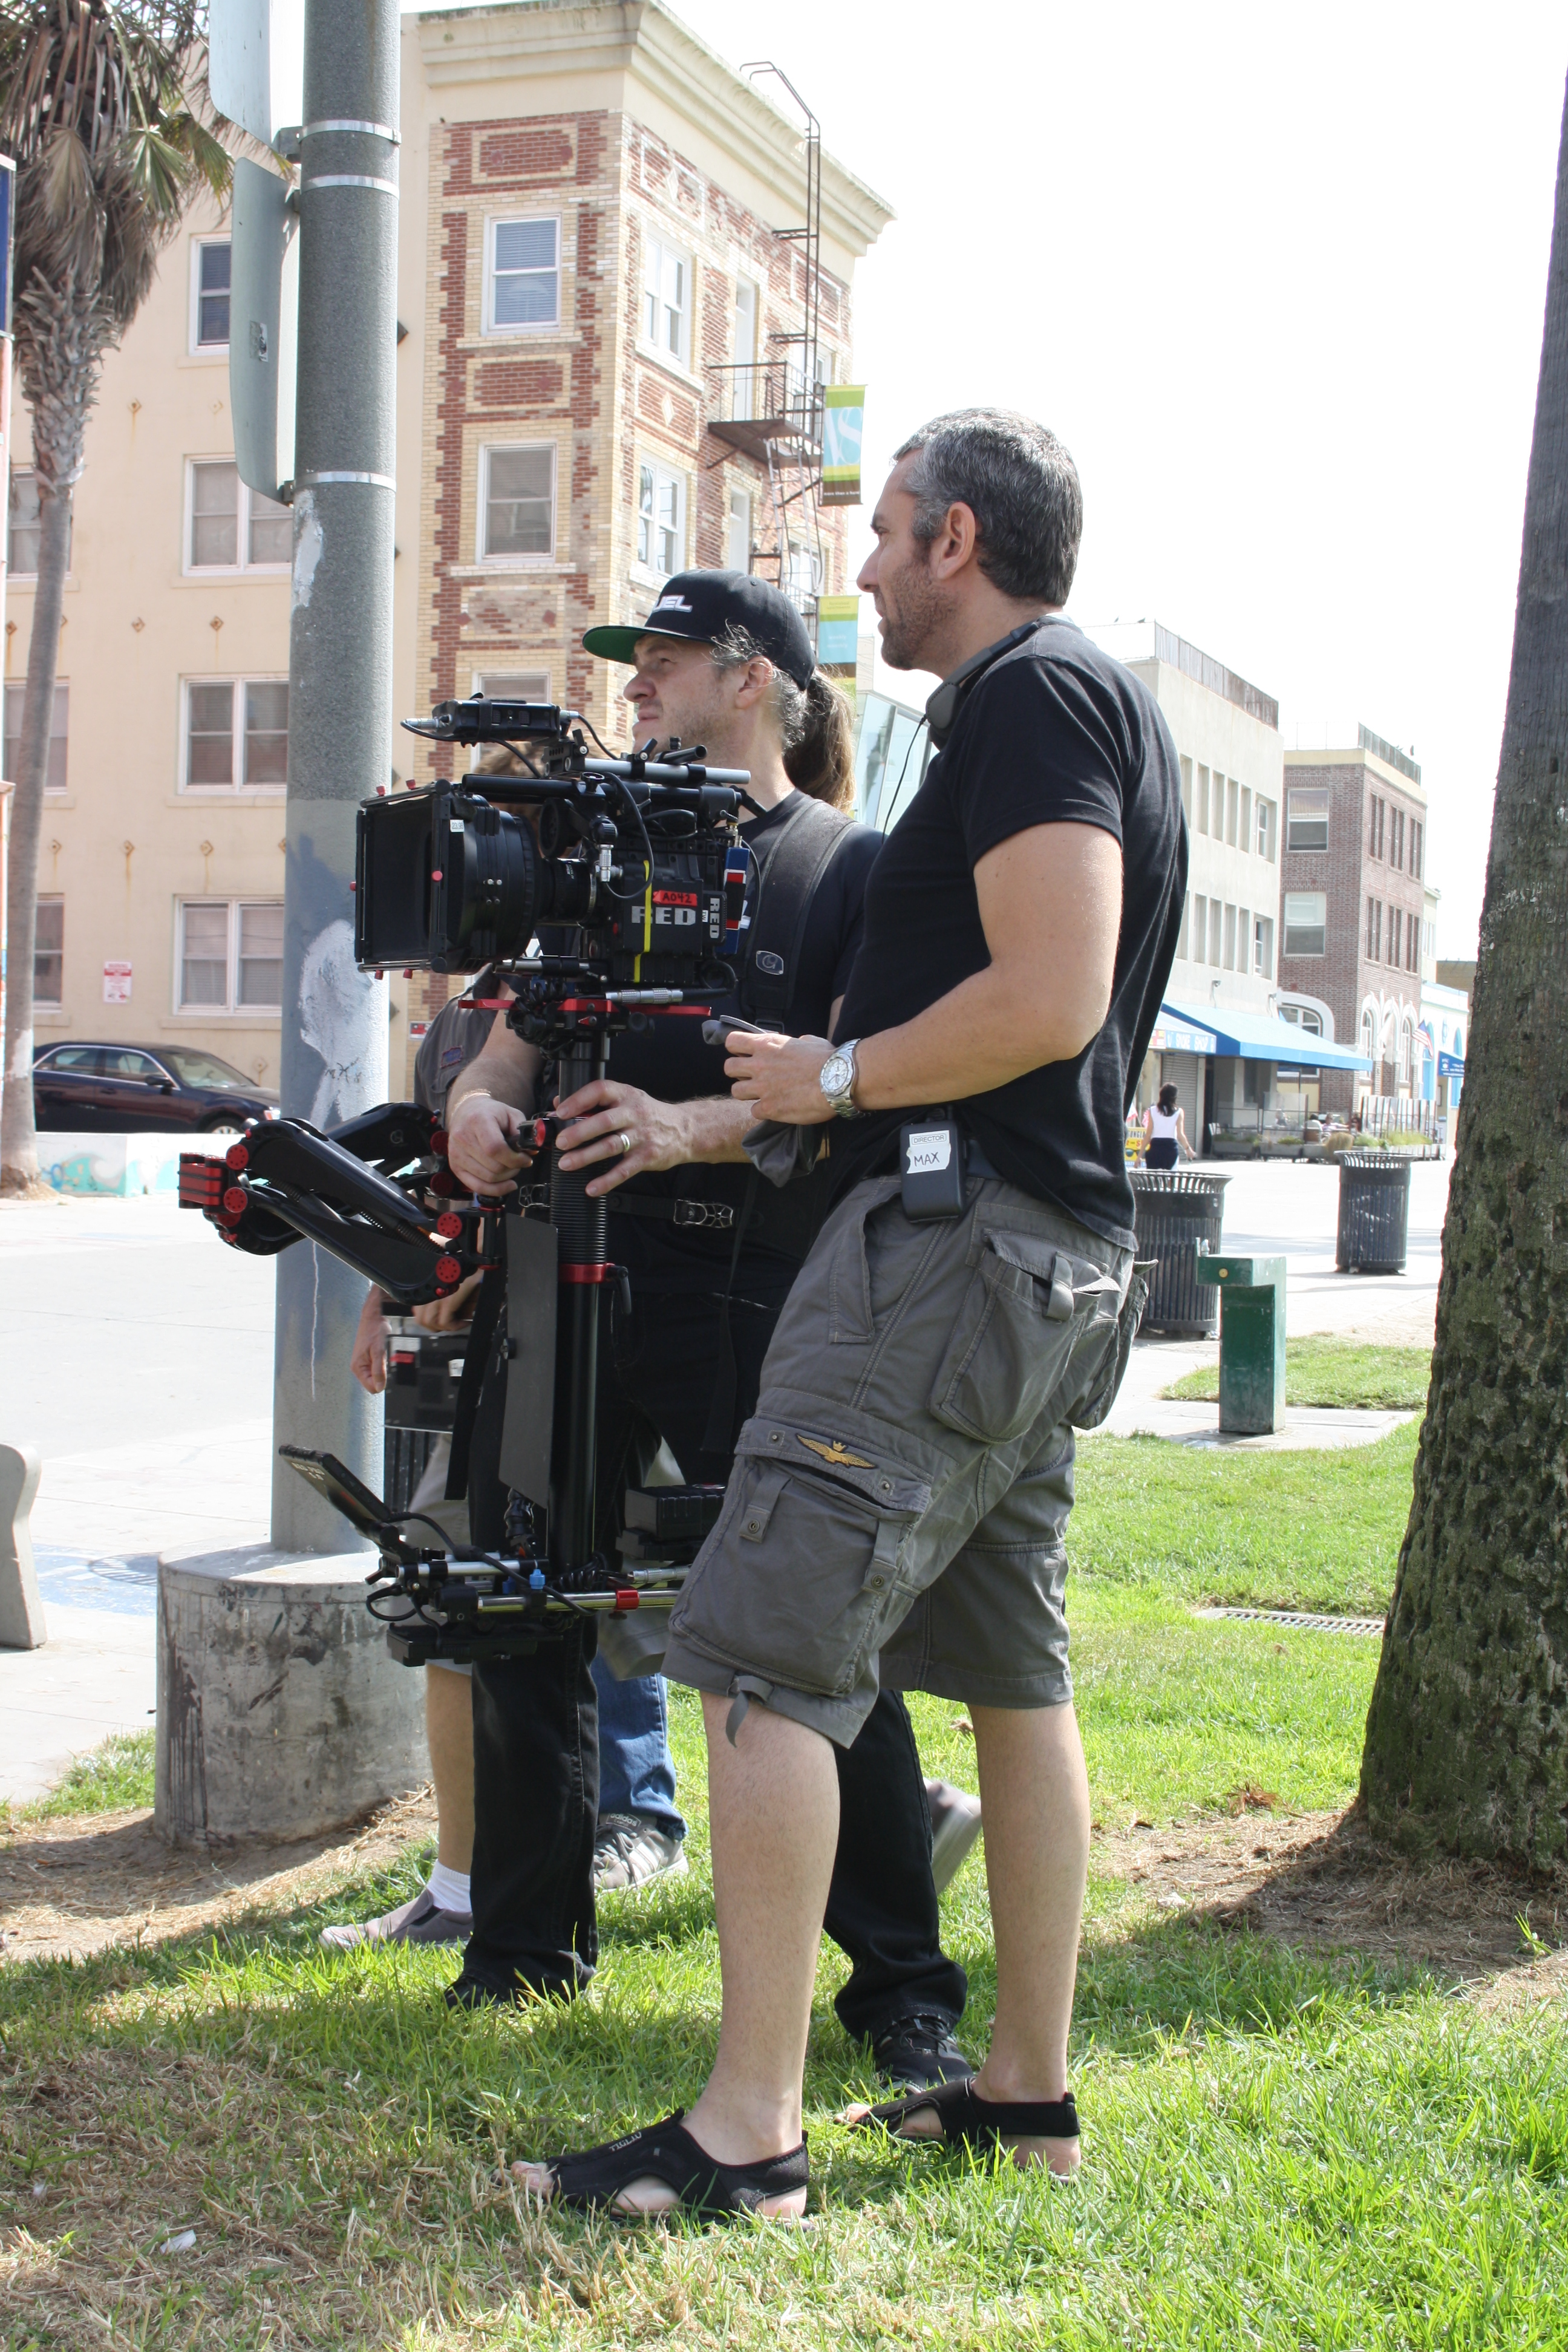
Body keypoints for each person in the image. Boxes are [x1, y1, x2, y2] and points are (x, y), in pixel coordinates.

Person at [511, 408, 1186, 2218]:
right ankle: (1025, 2094)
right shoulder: (1071, 704)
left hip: (949, 1253)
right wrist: (805, 1092)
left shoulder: (1034, 694)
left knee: (751, 1661)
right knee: (1012, 1682)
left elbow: (1047, 994)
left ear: (958, 540)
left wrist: (829, 1074)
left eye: (886, 534)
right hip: (1034, 1256)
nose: (868, 568)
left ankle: (747, 2135)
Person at [442, 569, 978, 2095]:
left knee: (811, 1635)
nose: (634, 687)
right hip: (563, 1277)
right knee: (521, 1592)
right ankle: (525, 1945)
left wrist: (692, 1125)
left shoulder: (839, 870)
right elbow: (498, 1052)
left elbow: (871, 1087)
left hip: (750, 1290)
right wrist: (480, 1115)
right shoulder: (582, 861)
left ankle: (900, 1990)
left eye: (659, 660)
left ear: (751, 680)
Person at [1142, 1082, 1193, 1168]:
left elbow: (1148, 1135)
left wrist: (1139, 1156)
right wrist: (1188, 1149)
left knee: (1154, 1179)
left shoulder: (1153, 1110)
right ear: (1174, 1097)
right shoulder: (1179, 1112)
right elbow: (1180, 1134)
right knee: (1170, 1179)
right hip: (1171, 1149)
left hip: (1155, 1148)